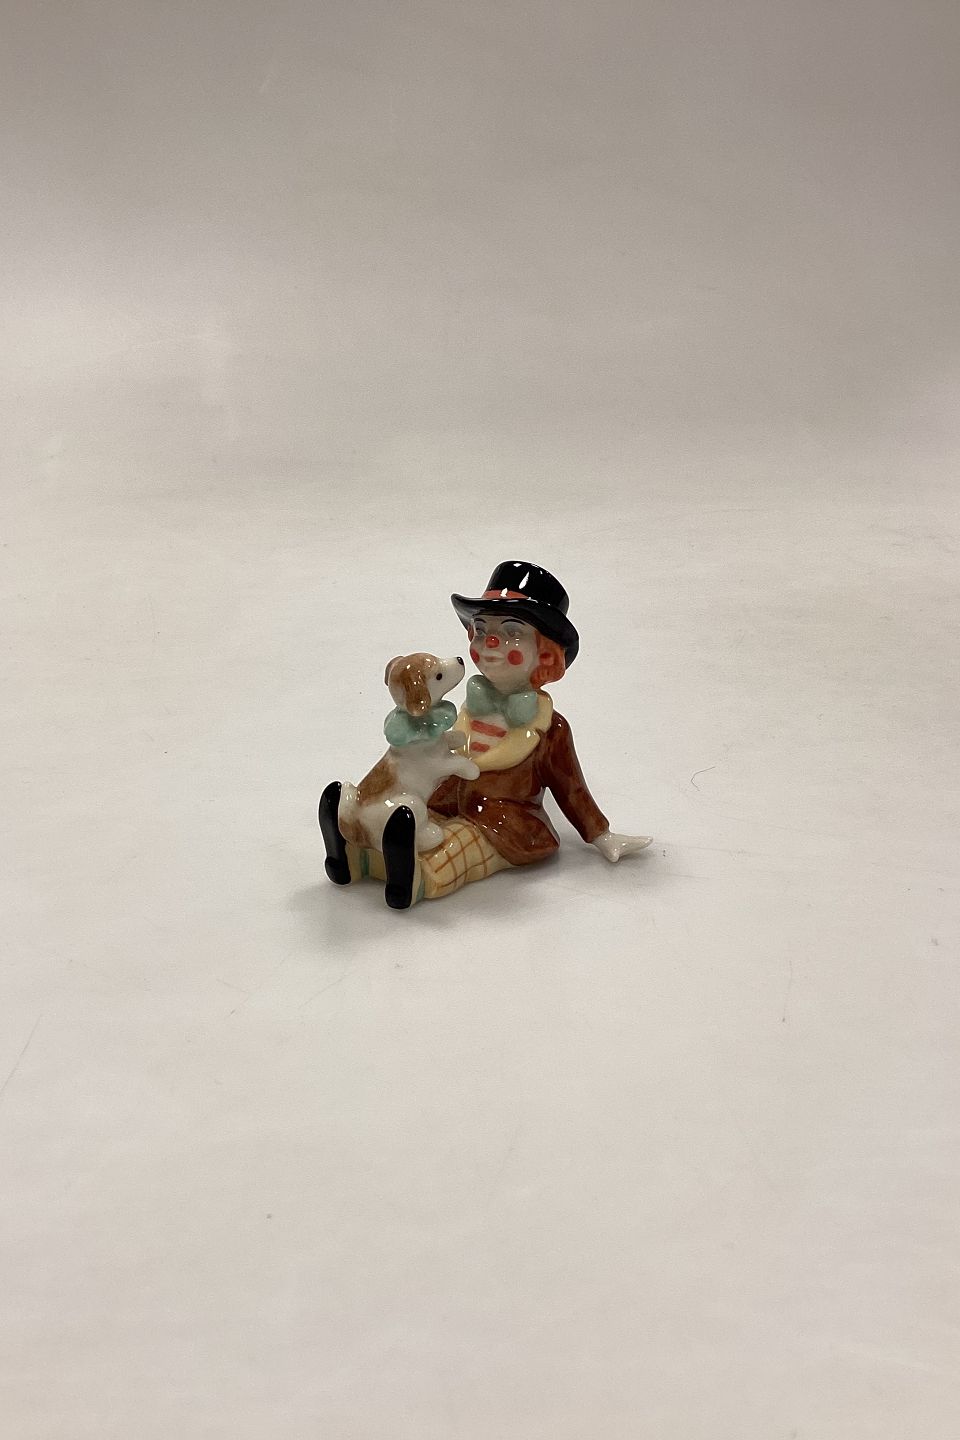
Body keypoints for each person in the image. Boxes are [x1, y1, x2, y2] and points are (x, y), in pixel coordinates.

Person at [320, 561, 651, 909]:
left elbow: (571, 788)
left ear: (546, 655)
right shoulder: (467, 706)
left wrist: (601, 834)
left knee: (453, 850)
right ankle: (355, 851)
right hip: (444, 799)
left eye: (512, 633)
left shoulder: (551, 729)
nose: (490, 642)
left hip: (502, 820)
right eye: (481, 630)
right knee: (409, 817)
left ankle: (411, 879)